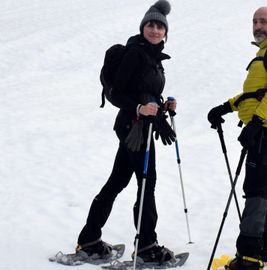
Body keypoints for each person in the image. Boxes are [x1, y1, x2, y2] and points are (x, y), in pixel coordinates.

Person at [75, 0, 177, 265]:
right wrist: (140, 108)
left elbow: (144, 89)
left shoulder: (152, 55)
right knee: (147, 185)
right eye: (150, 25)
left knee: (118, 181)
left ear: (165, 32)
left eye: (159, 27)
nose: (154, 30)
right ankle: (146, 248)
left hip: (138, 126)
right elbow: (118, 93)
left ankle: (89, 240)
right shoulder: (135, 53)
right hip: (134, 128)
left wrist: (163, 105)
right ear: (143, 27)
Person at [208, 6, 267, 270]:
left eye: (264, 21)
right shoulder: (266, 51)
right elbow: (257, 93)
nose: (258, 26)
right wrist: (225, 107)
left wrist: (256, 123)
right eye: (255, 21)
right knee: (266, 186)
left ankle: (248, 256)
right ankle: (266, 248)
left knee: (255, 188)